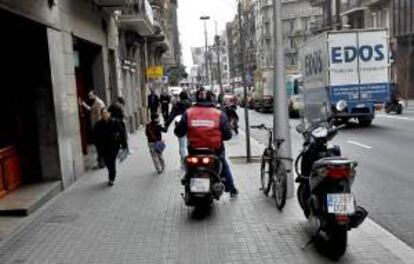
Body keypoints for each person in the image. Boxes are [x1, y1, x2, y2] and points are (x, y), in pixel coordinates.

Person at [174, 89, 239, 197]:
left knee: (188, 167)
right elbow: (228, 135)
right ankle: (231, 189)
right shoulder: (219, 114)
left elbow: (179, 132)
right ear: (211, 99)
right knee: (224, 165)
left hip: (194, 150)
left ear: (195, 98)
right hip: (214, 151)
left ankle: (187, 180)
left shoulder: (188, 113)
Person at [93, 108, 127, 186]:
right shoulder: (98, 125)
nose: (104, 114)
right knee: (107, 163)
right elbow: (95, 137)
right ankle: (112, 172)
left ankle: (111, 177)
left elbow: (122, 133)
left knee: (111, 161)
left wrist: (124, 144)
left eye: (106, 113)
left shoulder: (115, 122)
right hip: (103, 147)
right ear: (101, 115)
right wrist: (98, 148)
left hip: (114, 146)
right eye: (103, 113)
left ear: (109, 114)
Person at [165, 91, 193, 169]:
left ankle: (184, 163)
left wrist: (166, 126)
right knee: (190, 145)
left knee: (182, 146)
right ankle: (190, 161)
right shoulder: (191, 105)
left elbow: (171, 116)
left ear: (180, 97)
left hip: (180, 126)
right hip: (191, 127)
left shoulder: (177, 105)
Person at [80, 90, 106, 168]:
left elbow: (101, 115)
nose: (90, 97)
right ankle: (100, 162)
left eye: (91, 96)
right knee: (99, 146)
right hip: (98, 127)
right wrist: (84, 104)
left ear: (95, 95)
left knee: (100, 146)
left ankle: (102, 163)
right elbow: (91, 109)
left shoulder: (98, 103)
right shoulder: (96, 103)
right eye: (89, 96)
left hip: (99, 128)